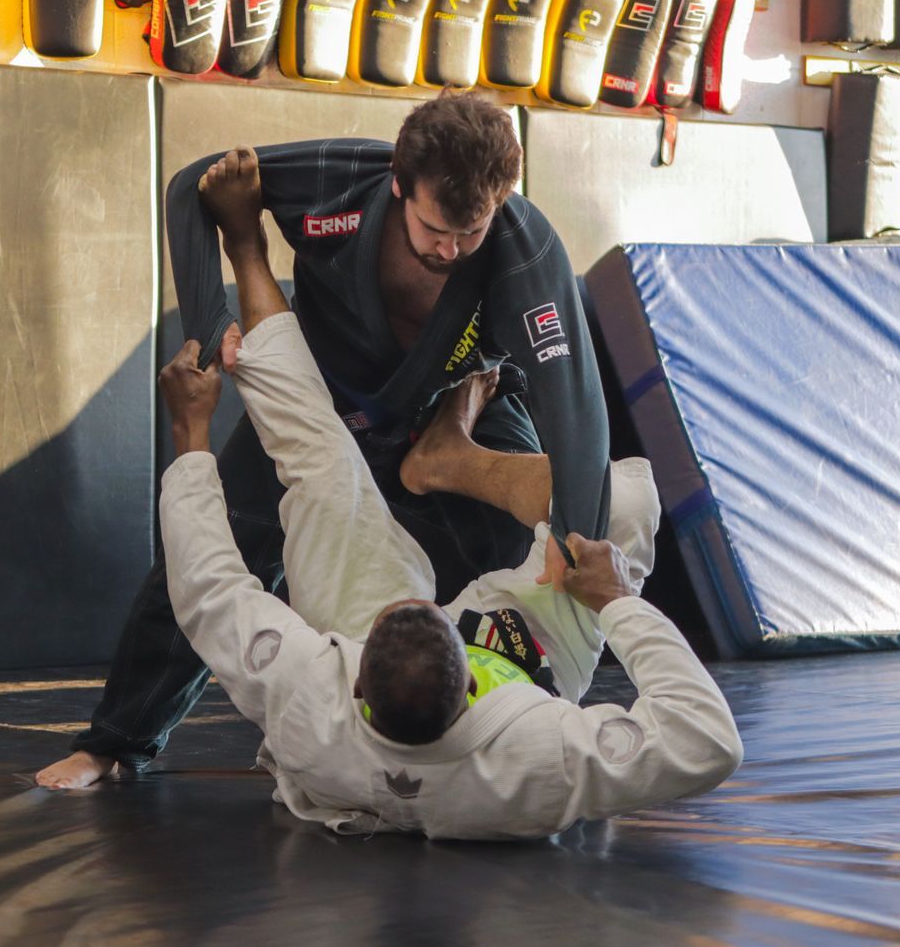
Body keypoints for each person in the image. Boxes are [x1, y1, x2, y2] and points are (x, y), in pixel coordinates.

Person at [54, 149, 740, 839]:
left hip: (374, 655)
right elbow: (708, 741)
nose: (447, 249)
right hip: (533, 653)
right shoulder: (545, 754)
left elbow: (205, 582)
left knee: (318, 463)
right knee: (625, 496)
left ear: (353, 678)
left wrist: (191, 433)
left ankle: (248, 249)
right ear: (468, 675)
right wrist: (617, 602)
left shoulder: (311, 694)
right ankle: (450, 457)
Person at [38, 92, 614, 789]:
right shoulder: (335, 182)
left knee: (544, 542)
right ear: (399, 183)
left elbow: (575, 399)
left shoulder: (525, 247)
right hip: (326, 394)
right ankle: (115, 742)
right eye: (435, 229)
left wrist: (573, 534)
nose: (450, 250)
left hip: (455, 394)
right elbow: (193, 184)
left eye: (471, 232)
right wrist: (209, 320)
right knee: (216, 544)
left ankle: (504, 712)